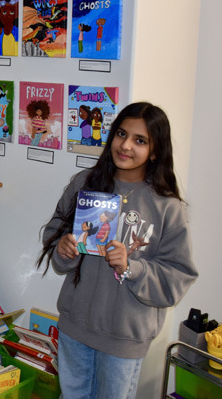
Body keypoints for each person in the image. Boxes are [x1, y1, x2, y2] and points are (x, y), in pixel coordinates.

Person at [37, 102, 198, 398]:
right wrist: (64, 249)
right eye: (121, 134)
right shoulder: (85, 183)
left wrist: (131, 267)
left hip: (126, 337)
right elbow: (54, 233)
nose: (125, 146)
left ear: (156, 150)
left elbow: (178, 276)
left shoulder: (167, 207)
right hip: (76, 326)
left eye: (140, 140)